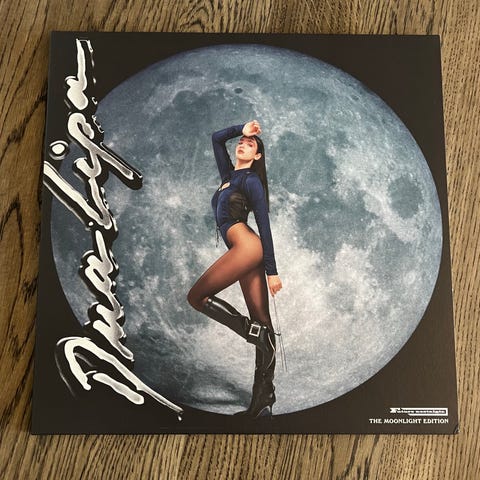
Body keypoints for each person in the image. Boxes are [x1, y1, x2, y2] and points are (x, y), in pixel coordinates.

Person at [187, 120, 283, 418]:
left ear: (257, 156)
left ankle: (255, 334)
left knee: (197, 297)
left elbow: (264, 226)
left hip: (248, 247)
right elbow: (217, 138)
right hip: (243, 250)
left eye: (250, 144)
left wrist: (272, 271)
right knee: (262, 321)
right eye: (241, 142)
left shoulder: (250, 180)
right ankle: (263, 401)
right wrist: (243, 128)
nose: (242, 144)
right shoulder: (229, 176)